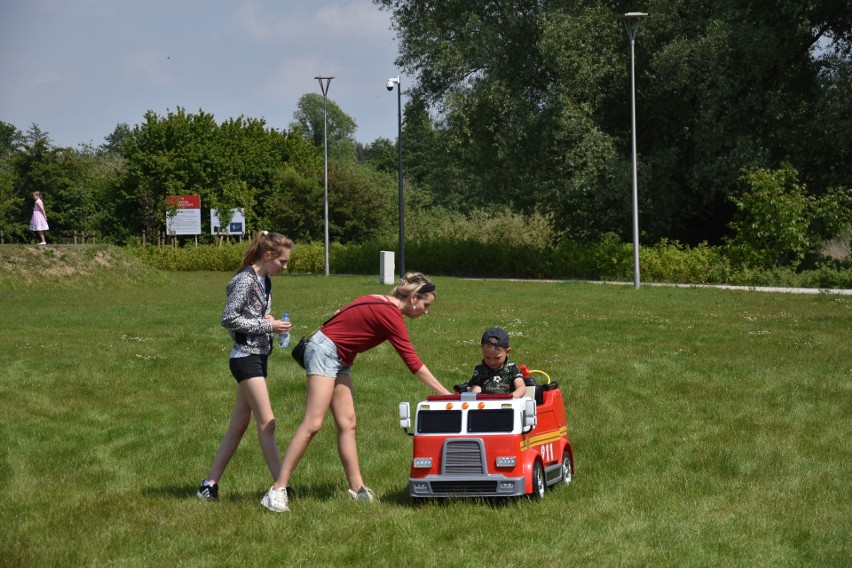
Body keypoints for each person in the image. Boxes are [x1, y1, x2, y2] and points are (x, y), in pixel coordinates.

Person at [261, 272, 450, 512]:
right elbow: (412, 362)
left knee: (347, 422)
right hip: (325, 353)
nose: (426, 311)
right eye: (425, 305)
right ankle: (277, 490)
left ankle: (357, 489)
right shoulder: (391, 315)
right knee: (313, 423)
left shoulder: (379, 300)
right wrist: (445, 394)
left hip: (339, 357)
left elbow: (343, 315)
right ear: (414, 298)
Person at [196, 231, 294, 501]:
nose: (286, 267)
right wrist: (267, 326)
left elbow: (251, 315)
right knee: (268, 422)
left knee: (239, 425)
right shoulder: (244, 280)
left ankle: (208, 486)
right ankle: (280, 487)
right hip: (244, 358)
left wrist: (268, 320)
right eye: (283, 261)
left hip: (257, 356)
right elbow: (228, 318)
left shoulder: (265, 280)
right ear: (268, 255)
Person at [468, 327, 526, 398]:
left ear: (507, 352)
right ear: (482, 350)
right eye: (487, 357)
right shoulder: (480, 369)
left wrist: (514, 396)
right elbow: (476, 387)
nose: (492, 362)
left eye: (497, 358)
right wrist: (476, 397)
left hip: (507, 404)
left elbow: (521, 386)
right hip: (486, 404)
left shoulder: (512, 368)